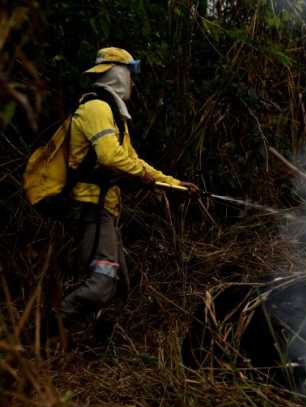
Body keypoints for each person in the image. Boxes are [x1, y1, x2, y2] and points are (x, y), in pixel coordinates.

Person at [42, 48, 199, 320]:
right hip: (91, 207)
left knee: (121, 288)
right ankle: (43, 326)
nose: (133, 83)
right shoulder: (96, 108)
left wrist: (175, 184)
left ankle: (85, 341)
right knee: (103, 284)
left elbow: (132, 160)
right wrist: (140, 176)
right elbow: (110, 156)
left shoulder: (113, 115)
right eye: (130, 75)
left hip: (105, 209)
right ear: (117, 74)